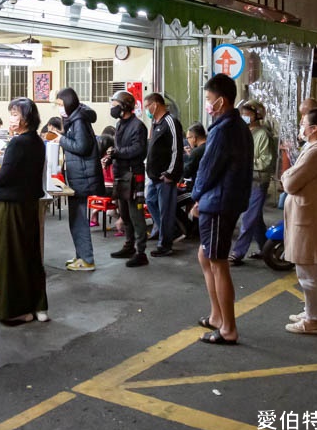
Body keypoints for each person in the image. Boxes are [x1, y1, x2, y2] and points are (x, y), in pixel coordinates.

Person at [189, 74, 252, 345]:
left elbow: (208, 169)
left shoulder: (224, 129)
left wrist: (196, 198)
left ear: (221, 101)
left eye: (208, 100)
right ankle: (217, 315)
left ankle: (228, 328)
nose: (207, 104)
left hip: (218, 203)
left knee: (218, 263)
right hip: (226, 200)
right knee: (205, 256)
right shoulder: (236, 125)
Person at [0, 98, 49, 324]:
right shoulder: (37, 141)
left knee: (9, 258)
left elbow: (6, 176)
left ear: (25, 119)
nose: (11, 119)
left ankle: (16, 311)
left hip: (11, 207)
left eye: (15, 115)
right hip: (30, 204)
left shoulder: (17, 143)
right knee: (30, 255)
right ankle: (39, 306)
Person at [281, 107, 317, 335]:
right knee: (313, 270)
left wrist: (286, 175)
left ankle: (313, 320)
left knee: (307, 271)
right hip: (309, 215)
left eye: (303, 123)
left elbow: (290, 183)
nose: (300, 127)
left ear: (313, 129)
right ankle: (315, 313)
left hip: (307, 217)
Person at [53, 87, 102, 272]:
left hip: (82, 177)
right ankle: (81, 256)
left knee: (79, 219)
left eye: (60, 103)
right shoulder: (75, 118)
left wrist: (61, 140)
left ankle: (87, 259)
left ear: (69, 102)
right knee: (75, 218)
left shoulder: (79, 120)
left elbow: (82, 146)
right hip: (78, 175)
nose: (59, 108)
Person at [105, 90, 149, 267]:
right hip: (121, 174)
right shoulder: (120, 123)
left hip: (133, 175)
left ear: (123, 106)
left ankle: (141, 252)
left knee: (135, 214)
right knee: (124, 212)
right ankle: (129, 245)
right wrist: (110, 156)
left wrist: (117, 153)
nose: (112, 108)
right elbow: (120, 147)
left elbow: (138, 150)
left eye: (115, 105)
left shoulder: (138, 126)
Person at [230, 101, 275, 265]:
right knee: (255, 218)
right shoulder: (243, 132)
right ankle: (266, 249)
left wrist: (245, 161)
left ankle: (238, 252)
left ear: (257, 115)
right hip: (245, 180)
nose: (244, 117)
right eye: (242, 113)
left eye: (247, 114)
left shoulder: (263, 134)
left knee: (248, 218)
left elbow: (266, 161)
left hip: (257, 181)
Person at [143, 93, 185, 257]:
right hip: (154, 176)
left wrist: (171, 173)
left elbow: (177, 150)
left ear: (156, 104)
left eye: (147, 106)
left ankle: (165, 244)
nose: (146, 110)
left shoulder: (170, 122)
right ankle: (170, 232)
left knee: (166, 211)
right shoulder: (155, 122)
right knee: (151, 201)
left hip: (165, 177)